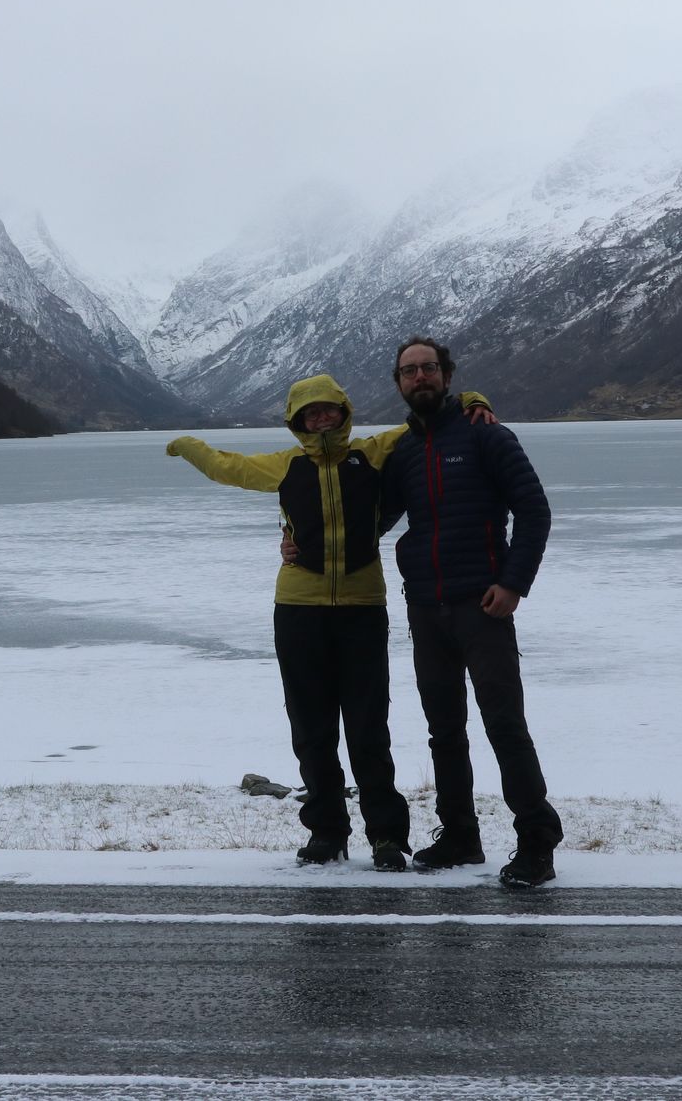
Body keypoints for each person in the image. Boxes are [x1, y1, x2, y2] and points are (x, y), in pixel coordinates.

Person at [166, 374, 492, 872]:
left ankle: (386, 836)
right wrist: (190, 445)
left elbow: (428, 423)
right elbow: (229, 467)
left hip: (362, 607)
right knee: (311, 726)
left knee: (368, 728)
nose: (320, 418)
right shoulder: (286, 465)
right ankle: (326, 831)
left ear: (344, 411)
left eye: (328, 409)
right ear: (296, 421)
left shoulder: (373, 453)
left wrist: (470, 399)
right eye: (309, 412)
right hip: (298, 608)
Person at [378, 336, 562, 888]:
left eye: (428, 368)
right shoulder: (404, 452)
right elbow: (375, 518)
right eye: (409, 371)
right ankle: (460, 835)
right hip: (426, 608)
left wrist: (513, 584)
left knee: (504, 723)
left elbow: (534, 510)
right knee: (444, 730)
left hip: (483, 606)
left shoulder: (487, 436)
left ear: (447, 374)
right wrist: (299, 540)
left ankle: (536, 839)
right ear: (399, 383)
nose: (420, 378)